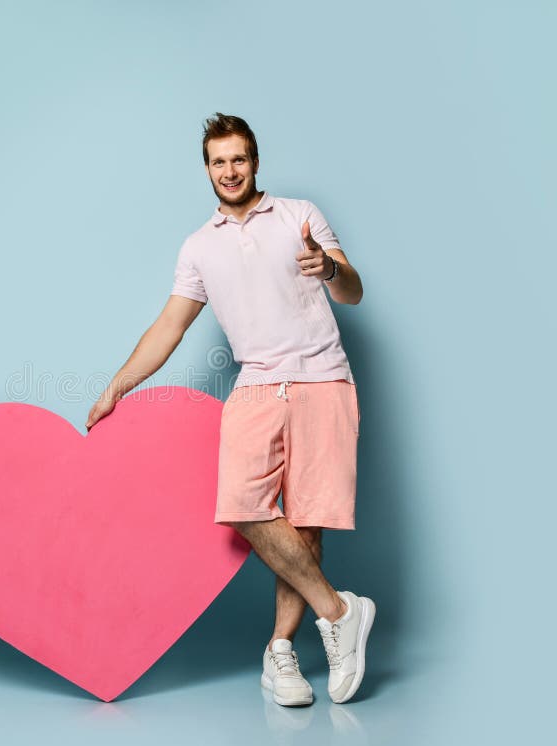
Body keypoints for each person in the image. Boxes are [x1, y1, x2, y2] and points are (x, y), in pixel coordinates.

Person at [85, 113, 374, 706]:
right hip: (258, 386)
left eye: (239, 159)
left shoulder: (301, 215)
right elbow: (170, 325)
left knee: (307, 524)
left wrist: (332, 269)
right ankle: (340, 612)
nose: (230, 170)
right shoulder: (199, 246)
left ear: (256, 161)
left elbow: (352, 290)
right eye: (219, 162)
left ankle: (281, 654)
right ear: (208, 170)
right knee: (243, 505)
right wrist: (118, 385)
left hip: (322, 379)